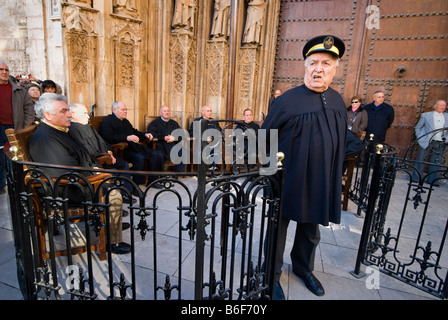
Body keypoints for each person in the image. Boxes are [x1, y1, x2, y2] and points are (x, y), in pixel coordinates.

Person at [261, 35, 347, 298]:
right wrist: (270, 174)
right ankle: (271, 276)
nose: (318, 69)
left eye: (325, 63)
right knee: (278, 230)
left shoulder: (337, 101)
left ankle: (303, 267)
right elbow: (264, 136)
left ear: (335, 68)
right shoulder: (286, 100)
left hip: (321, 178)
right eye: (313, 63)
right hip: (287, 179)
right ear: (305, 66)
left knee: (311, 228)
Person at [29, 93, 131, 254]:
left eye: (68, 110)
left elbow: (81, 155)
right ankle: (113, 241)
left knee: (110, 183)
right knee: (113, 194)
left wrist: (94, 167)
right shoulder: (46, 139)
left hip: (77, 180)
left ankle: (112, 223)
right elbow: (64, 173)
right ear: (48, 115)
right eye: (63, 111)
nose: (68, 114)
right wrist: (95, 175)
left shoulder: (60, 130)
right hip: (67, 191)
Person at [68, 102, 135, 201]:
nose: (88, 116)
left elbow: (101, 140)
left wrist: (109, 151)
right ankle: (115, 199)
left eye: (88, 113)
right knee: (114, 172)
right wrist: (105, 156)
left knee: (123, 164)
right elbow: (85, 150)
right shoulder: (72, 129)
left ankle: (126, 192)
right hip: (95, 161)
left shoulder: (87, 126)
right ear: (73, 114)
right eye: (85, 113)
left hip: (105, 156)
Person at [99, 101, 164, 186]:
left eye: (126, 110)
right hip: (122, 150)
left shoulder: (125, 121)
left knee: (156, 154)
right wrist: (126, 138)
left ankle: (152, 181)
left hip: (134, 147)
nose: (125, 111)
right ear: (114, 110)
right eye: (123, 110)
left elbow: (134, 132)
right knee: (139, 157)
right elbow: (107, 137)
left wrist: (145, 135)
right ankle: (136, 184)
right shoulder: (108, 121)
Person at [0, 60, 35, 194]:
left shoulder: (18, 90)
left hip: (15, 128)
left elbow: (28, 108)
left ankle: (15, 184)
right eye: (1, 70)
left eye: (6, 70)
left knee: (14, 156)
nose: (4, 72)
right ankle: (1, 185)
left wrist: (24, 128)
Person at [411, 100, 448, 186]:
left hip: (440, 142)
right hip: (427, 141)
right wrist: (421, 138)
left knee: (436, 161)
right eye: (440, 105)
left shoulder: (446, 116)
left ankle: (432, 180)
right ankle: (416, 179)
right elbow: (418, 127)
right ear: (435, 106)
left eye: (444, 106)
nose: (442, 107)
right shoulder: (426, 115)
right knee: (421, 159)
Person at [146, 105, 185, 172]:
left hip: (172, 144)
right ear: (160, 113)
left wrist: (174, 138)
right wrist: (163, 137)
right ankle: (161, 174)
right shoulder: (155, 123)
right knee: (159, 153)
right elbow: (151, 133)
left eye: (168, 111)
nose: (166, 112)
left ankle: (178, 173)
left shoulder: (174, 123)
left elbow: (181, 134)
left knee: (182, 150)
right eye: (164, 111)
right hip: (161, 144)